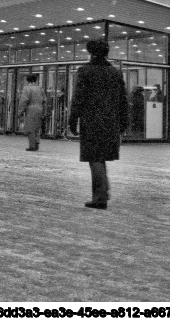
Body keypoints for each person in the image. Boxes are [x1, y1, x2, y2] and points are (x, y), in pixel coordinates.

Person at [68, 39, 128, 210]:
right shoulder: (116, 73)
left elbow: (78, 97)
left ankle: (100, 197)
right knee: (101, 156)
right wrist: (124, 121)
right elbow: (123, 99)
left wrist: (73, 119)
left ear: (90, 52)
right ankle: (104, 190)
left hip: (91, 119)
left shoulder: (85, 71)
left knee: (94, 157)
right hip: (111, 120)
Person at [18, 73, 45, 151]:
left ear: (27, 80)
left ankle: (32, 146)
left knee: (30, 128)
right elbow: (44, 100)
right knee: (37, 127)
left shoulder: (27, 88)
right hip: (40, 108)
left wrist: (20, 112)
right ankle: (37, 144)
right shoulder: (40, 88)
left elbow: (23, 101)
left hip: (31, 109)